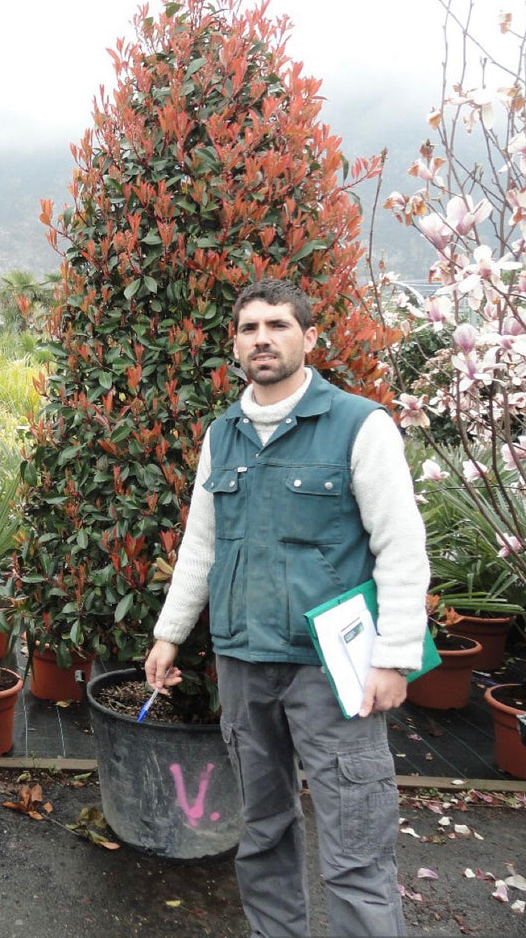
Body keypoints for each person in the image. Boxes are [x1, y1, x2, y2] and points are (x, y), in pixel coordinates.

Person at [145, 278, 429, 938]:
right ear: (234, 345)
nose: (262, 338)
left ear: (308, 337)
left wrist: (393, 657)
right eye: (248, 328)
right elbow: (201, 546)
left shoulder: (360, 425)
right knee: (263, 829)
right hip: (244, 663)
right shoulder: (224, 435)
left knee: (354, 841)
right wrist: (168, 635)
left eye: (276, 324)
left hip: (332, 669)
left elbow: (401, 548)